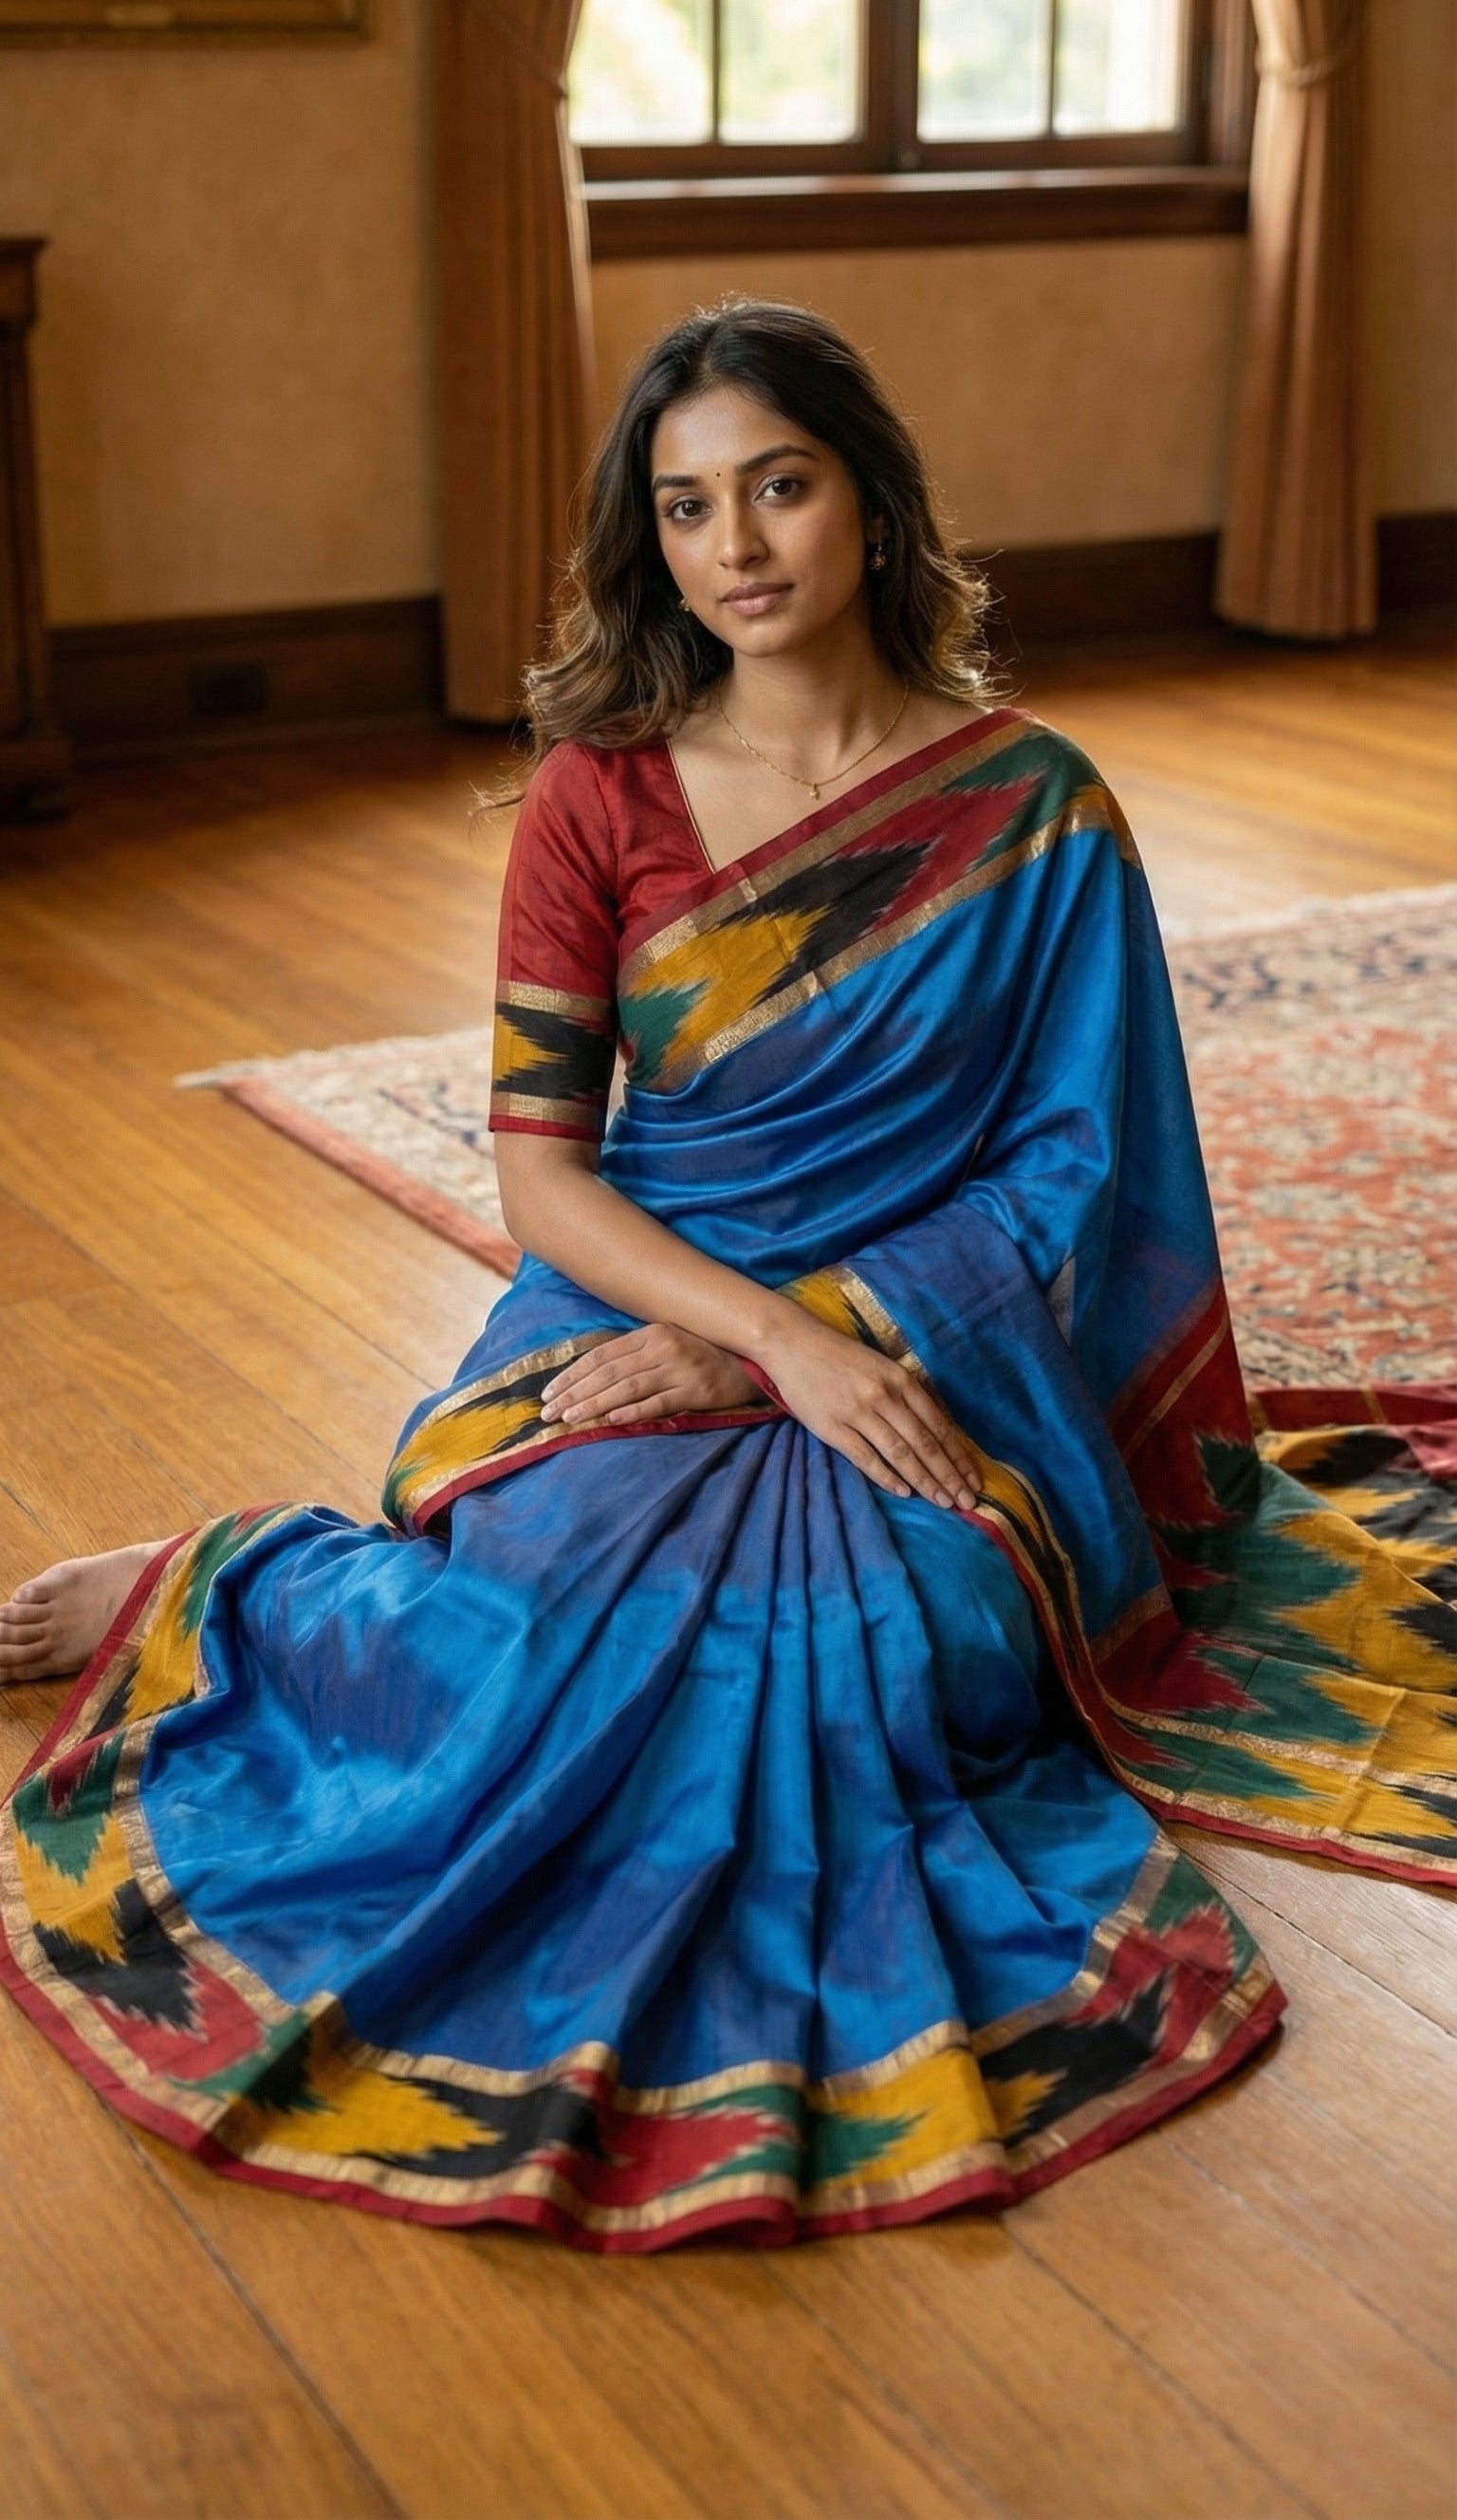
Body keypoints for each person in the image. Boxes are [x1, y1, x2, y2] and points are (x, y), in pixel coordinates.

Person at [1, 301, 1452, 2252]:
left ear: (871, 495)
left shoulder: (1033, 812)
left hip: (934, 1338)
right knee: (550, 1623)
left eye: (780, 485)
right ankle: (231, 1587)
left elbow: (1075, 1180)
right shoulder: (601, 789)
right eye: (687, 506)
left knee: (890, 1664)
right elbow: (541, 1167)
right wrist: (738, 1338)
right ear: (648, 538)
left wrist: (834, 1340)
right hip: (638, 1300)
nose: (740, 545)